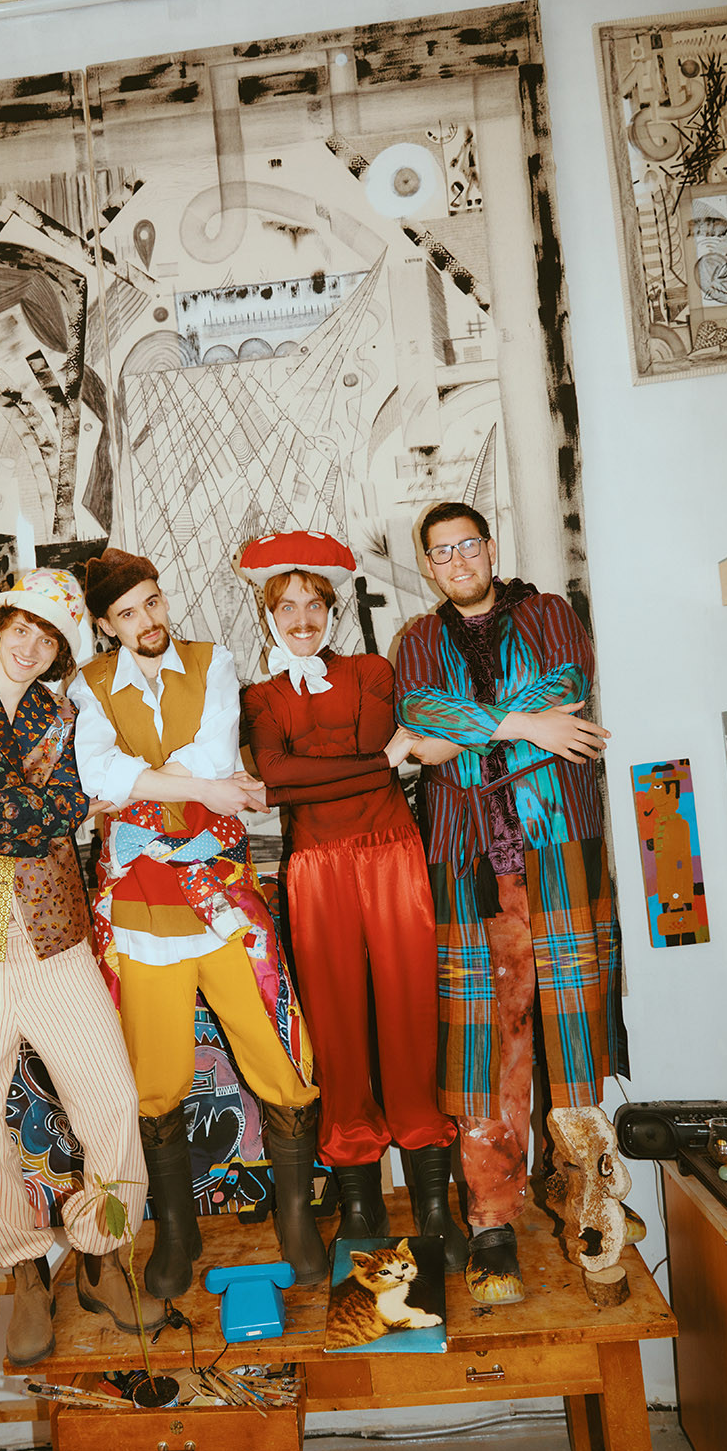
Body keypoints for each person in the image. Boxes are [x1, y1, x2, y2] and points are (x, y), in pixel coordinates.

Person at [0, 568, 161, 1366]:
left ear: (58, 651)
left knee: (112, 1097)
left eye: (47, 638)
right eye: (21, 628)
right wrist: (12, 812)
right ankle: (23, 1268)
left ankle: (102, 1255)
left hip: (53, 918)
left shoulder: (62, 714)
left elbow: (63, 813)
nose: (30, 646)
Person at [68, 548, 327, 1295]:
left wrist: (144, 786)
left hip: (222, 897)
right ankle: (176, 1232)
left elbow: (211, 756)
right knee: (155, 1079)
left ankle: (296, 1218)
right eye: (128, 614)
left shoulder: (213, 663)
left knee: (279, 1051)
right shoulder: (88, 686)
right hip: (139, 905)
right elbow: (95, 775)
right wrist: (195, 787)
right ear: (106, 625)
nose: (147, 621)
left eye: (152, 603)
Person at [395, 502, 627, 1304]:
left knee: (572, 1035)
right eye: (441, 552)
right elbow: (419, 716)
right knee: (488, 1050)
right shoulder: (417, 641)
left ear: (491, 548)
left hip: (556, 849)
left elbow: (566, 685)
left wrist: (463, 735)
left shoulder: (549, 613)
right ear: (428, 565)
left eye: (468, 545)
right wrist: (526, 724)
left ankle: (589, 1198)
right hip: (468, 863)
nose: (457, 560)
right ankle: (492, 1218)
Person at [238, 531, 465, 1271]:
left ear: (332, 609)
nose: (302, 619)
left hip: (391, 853)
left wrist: (302, 777)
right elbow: (283, 776)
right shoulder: (260, 696)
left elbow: (304, 776)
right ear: (268, 614)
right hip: (316, 867)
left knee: (409, 1015)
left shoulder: (371, 670)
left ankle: (433, 1200)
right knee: (335, 1026)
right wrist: (375, 763)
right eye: (287, 606)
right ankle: (361, 1201)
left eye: (314, 604)